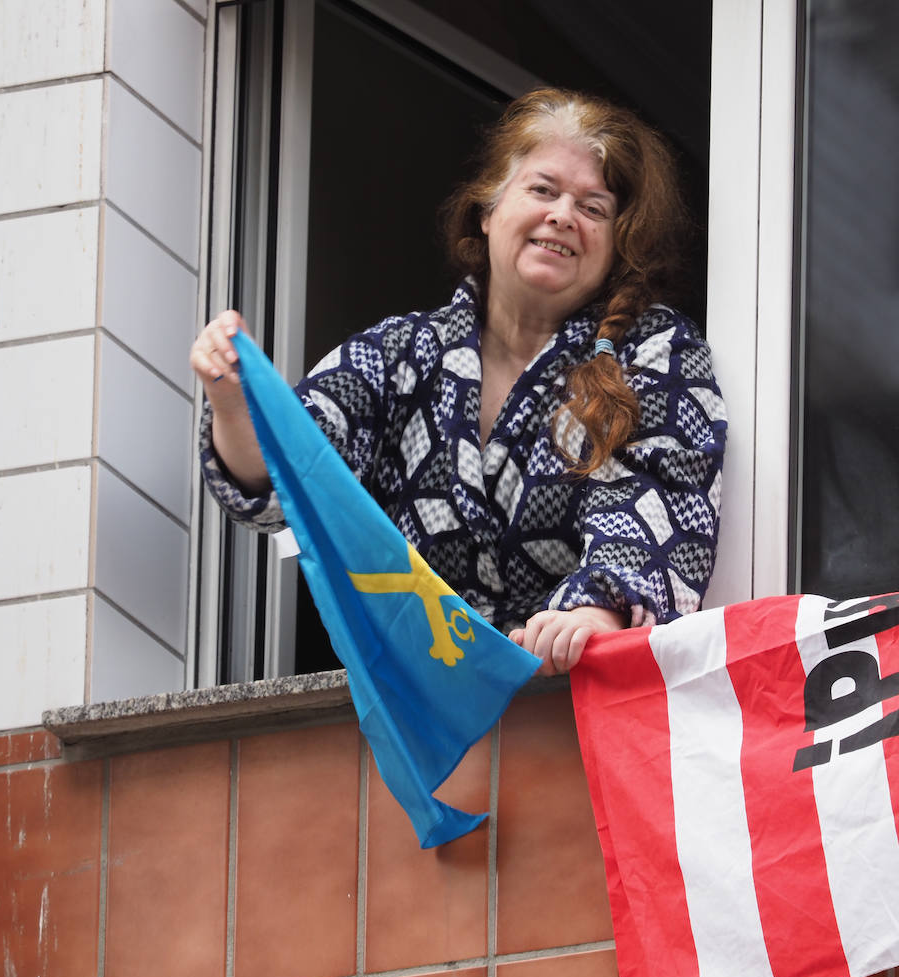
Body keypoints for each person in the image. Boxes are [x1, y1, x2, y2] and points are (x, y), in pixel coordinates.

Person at [190, 88, 727, 676]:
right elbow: (292, 475)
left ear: (616, 247)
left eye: (593, 208)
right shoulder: (401, 352)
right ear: (488, 211)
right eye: (542, 190)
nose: (562, 215)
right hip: (418, 701)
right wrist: (234, 400)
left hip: (568, 692)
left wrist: (598, 610)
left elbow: (664, 496)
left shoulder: (655, 349)